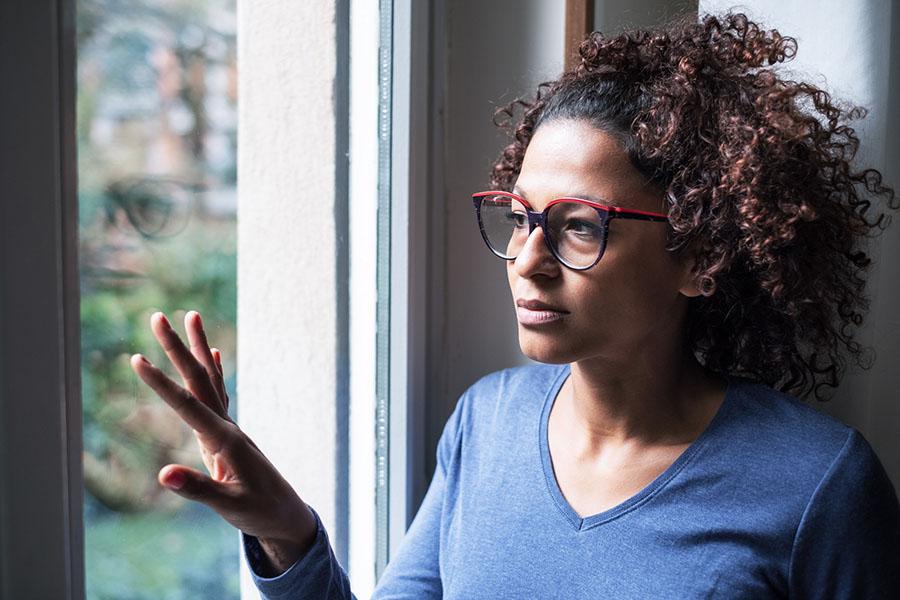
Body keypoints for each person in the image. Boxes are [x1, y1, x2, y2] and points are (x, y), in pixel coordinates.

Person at [131, 12, 900, 599]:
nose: (527, 261)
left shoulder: (817, 486)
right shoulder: (486, 422)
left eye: (578, 228)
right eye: (521, 217)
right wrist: (287, 535)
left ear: (700, 258)